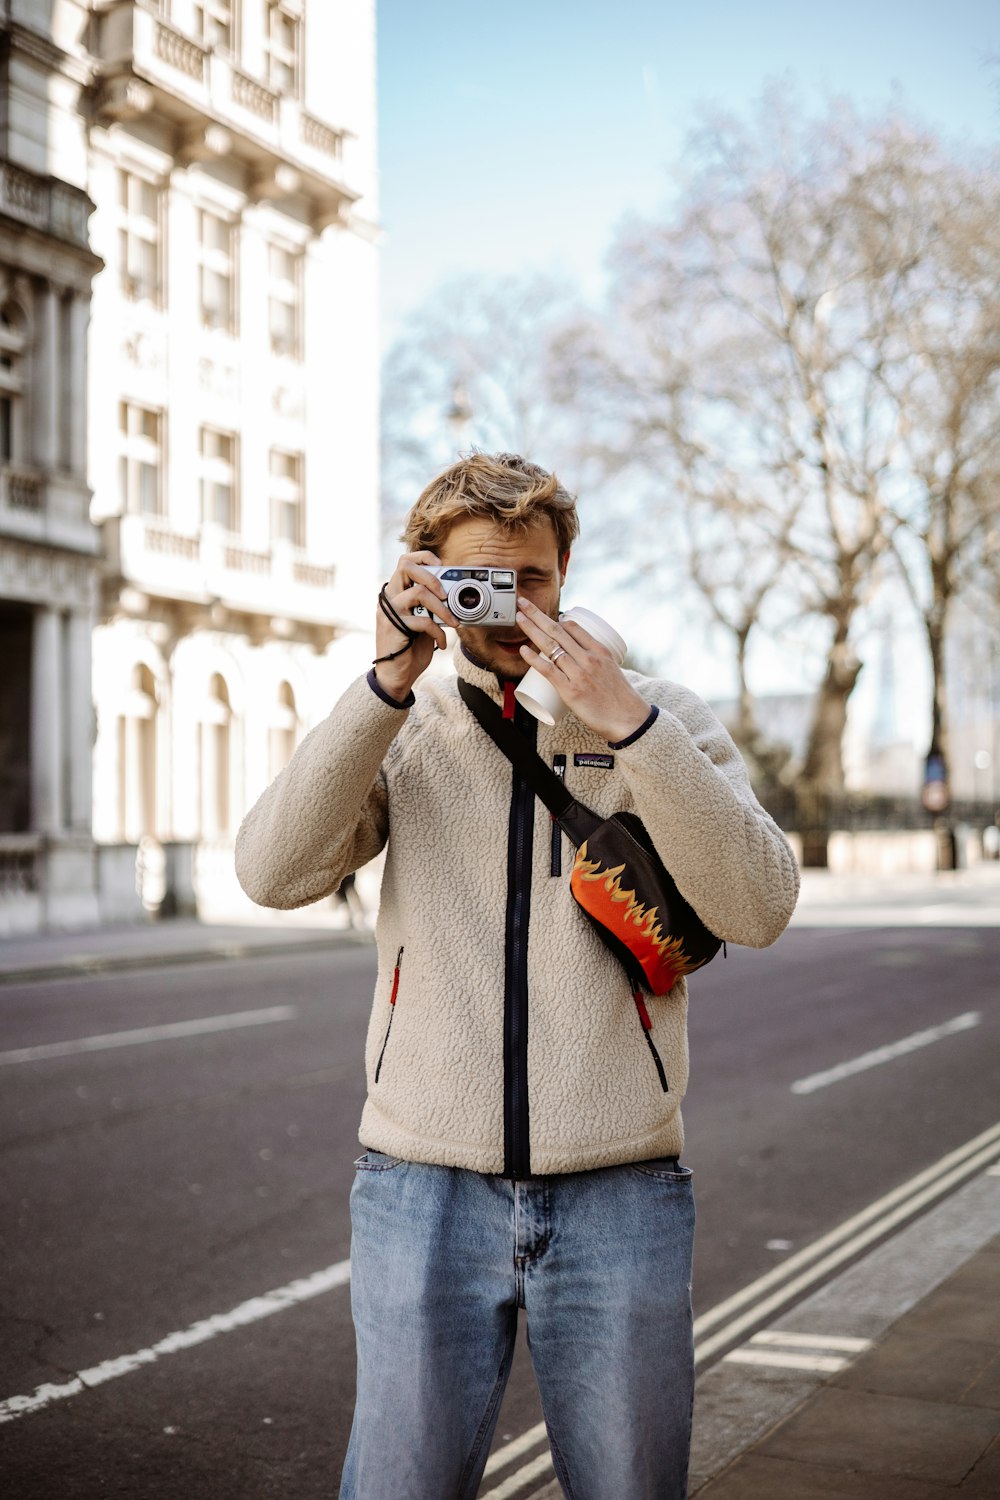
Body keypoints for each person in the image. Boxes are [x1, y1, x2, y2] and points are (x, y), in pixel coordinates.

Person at [235, 452, 800, 1500]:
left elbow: (760, 904)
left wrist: (626, 724)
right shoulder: (401, 726)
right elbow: (271, 872)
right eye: (477, 579)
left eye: (532, 577)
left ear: (567, 568)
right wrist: (382, 686)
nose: (510, 604)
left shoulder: (655, 712)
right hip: (420, 1188)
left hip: (621, 1188)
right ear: (428, 582)